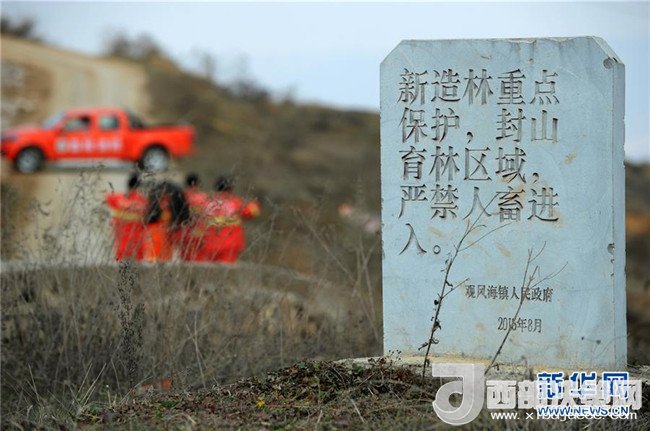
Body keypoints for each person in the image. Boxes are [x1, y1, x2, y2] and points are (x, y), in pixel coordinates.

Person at [199, 175, 261, 263]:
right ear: (230, 188)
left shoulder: (206, 203)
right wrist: (256, 203)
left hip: (209, 245)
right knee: (226, 270)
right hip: (229, 246)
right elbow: (252, 212)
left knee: (210, 270)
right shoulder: (235, 202)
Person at [142, 181, 189, 262]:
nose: (165, 203)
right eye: (162, 199)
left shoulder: (180, 229)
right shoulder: (154, 228)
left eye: (168, 200)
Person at [105, 173, 147, 260]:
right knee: (135, 258)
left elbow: (108, 198)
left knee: (123, 257)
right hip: (135, 237)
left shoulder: (117, 197)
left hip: (123, 235)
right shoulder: (142, 200)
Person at [178, 173, 209, 261]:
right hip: (200, 235)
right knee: (199, 261)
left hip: (184, 235)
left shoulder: (181, 197)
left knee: (185, 260)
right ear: (197, 184)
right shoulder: (204, 198)